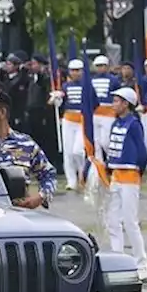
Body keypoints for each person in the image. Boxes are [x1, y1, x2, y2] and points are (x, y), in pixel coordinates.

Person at [0, 89, 55, 209]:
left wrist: (40, 196)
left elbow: (48, 174)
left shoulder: (25, 143)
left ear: (2, 112)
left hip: (18, 212)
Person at [104, 87, 147, 279]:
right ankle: (118, 259)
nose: (114, 104)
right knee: (112, 220)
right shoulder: (116, 123)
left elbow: (142, 152)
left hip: (130, 177)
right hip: (115, 175)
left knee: (130, 221)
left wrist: (139, 170)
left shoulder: (133, 124)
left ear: (126, 103)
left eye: (117, 101)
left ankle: (142, 263)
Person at [50, 59, 86, 192]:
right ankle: (71, 181)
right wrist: (56, 99)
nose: (75, 73)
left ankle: (83, 175)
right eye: (73, 71)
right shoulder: (65, 86)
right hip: (68, 120)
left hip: (82, 120)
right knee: (68, 152)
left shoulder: (87, 85)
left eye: (78, 70)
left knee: (78, 151)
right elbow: (58, 105)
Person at [88, 55, 121, 160]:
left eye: (102, 65)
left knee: (106, 142)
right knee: (96, 143)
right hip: (96, 113)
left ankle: (113, 161)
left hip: (109, 113)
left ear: (107, 66)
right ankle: (99, 169)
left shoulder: (114, 80)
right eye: (98, 66)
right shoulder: (91, 80)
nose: (100, 68)